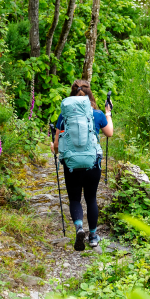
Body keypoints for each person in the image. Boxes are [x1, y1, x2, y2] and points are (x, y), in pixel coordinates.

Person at [51, 79, 114, 251]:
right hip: (92, 163)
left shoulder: (64, 116)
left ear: (72, 95)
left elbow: (57, 147)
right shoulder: (97, 114)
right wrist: (108, 113)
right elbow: (109, 133)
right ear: (89, 94)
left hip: (71, 164)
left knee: (74, 198)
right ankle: (93, 237)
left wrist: (52, 147)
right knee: (91, 198)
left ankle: (79, 228)